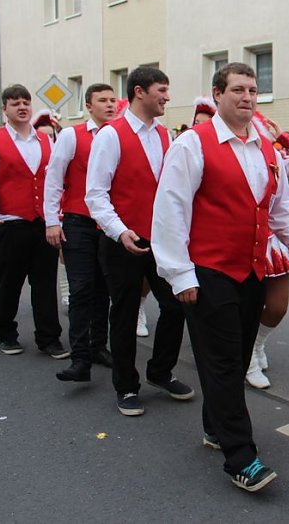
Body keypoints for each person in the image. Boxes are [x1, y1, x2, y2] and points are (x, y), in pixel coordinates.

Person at [152, 62, 289, 492]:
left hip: (252, 269)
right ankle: (240, 456)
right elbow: (170, 210)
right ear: (218, 94)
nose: (247, 97)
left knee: (240, 354)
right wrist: (180, 275)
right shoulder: (192, 145)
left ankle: (214, 427)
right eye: (238, 90)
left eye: (253, 90)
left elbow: (280, 207)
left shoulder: (265, 148)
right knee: (224, 361)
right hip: (208, 269)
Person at [85, 66, 194, 416]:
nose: (167, 96)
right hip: (121, 241)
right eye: (161, 89)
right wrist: (120, 231)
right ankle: (126, 386)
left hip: (159, 241)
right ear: (139, 92)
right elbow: (95, 195)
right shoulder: (110, 136)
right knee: (126, 311)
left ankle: (160, 372)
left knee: (176, 305)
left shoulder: (165, 136)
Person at [0, 84, 68, 358]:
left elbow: (53, 182)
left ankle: (49, 338)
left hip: (41, 223)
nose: (22, 107)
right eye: (15, 103)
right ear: (5, 109)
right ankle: (5, 333)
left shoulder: (45, 140)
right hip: (10, 222)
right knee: (9, 282)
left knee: (45, 283)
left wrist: (54, 218)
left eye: (26, 102)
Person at [44, 83, 117, 382]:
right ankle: (80, 358)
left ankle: (98, 346)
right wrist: (52, 220)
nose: (110, 105)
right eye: (102, 100)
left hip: (109, 225)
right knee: (82, 289)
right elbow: (54, 177)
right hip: (79, 222)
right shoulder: (73, 136)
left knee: (103, 291)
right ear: (89, 105)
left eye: (113, 100)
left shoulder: (119, 136)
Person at [244, 114, 289, 389]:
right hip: (241, 242)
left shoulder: (274, 157)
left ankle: (257, 343)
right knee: (247, 307)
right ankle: (248, 357)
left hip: (273, 242)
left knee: (277, 307)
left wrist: (283, 138)